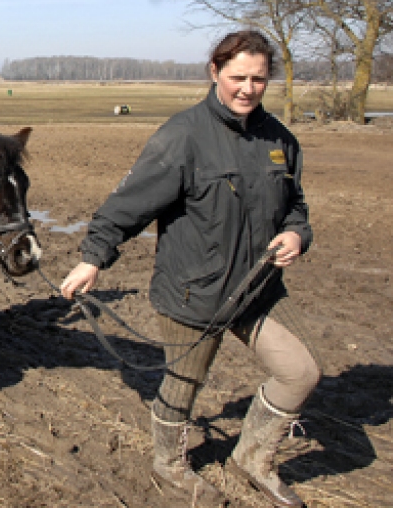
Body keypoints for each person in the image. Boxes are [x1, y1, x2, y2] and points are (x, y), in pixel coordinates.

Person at [60, 30, 319, 508]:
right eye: (238, 76)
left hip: (258, 289)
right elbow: (126, 207)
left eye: (259, 79)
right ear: (214, 72)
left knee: (300, 372)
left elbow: (295, 206)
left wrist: (297, 233)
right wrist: (93, 259)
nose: (248, 88)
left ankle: (253, 457)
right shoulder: (182, 136)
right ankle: (169, 465)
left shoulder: (280, 139)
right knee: (183, 387)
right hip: (192, 292)